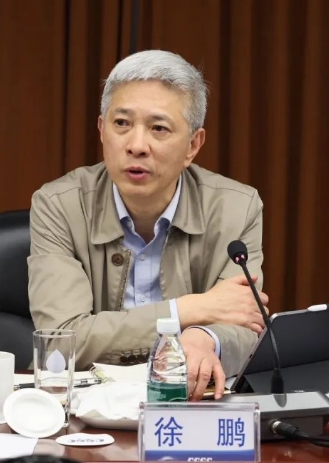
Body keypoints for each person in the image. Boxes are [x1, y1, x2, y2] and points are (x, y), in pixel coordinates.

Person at [27, 49, 269, 401]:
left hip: (187, 402)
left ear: (193, 145)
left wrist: (203, 337)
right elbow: (61, 340)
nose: (137, 146)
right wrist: (189, 310)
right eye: (122, 124)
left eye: (159, 128)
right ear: (102, 130)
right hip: (84, 408)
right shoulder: (60, 205)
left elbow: (247, 323)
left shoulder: (236, 207)